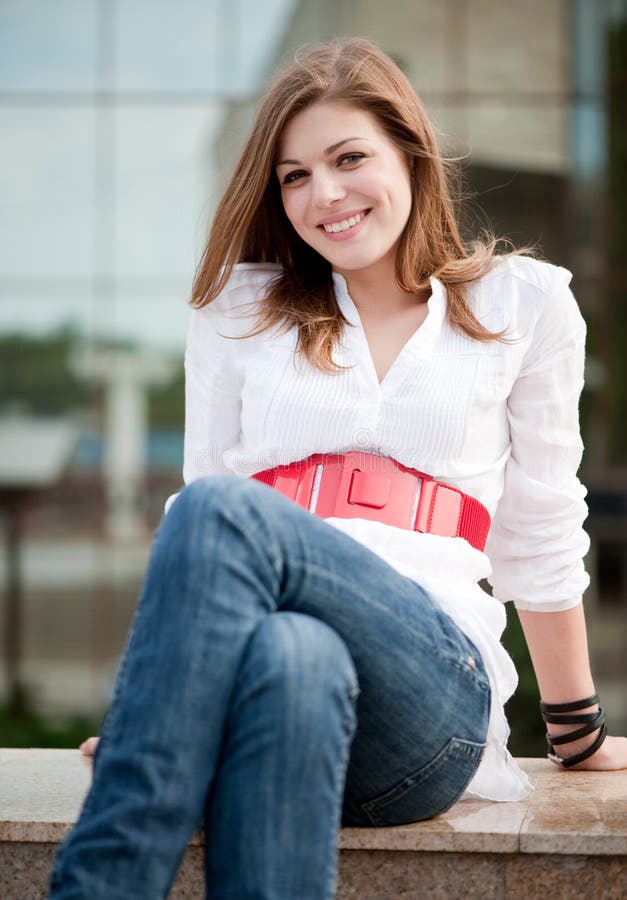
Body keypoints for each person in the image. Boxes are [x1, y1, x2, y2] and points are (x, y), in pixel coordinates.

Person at [49, 37, 627, 900]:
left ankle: (102, 883)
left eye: (349, 157)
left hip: (430, 701)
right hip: (275, 691)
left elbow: (541, 525)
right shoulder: (237, 310)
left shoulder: (522, 304)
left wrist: (574, 732)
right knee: (292, 652)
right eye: (292, 176)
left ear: (409, 152)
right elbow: (196, 533)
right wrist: (176, 687)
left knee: (217, 510)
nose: (324, 194)